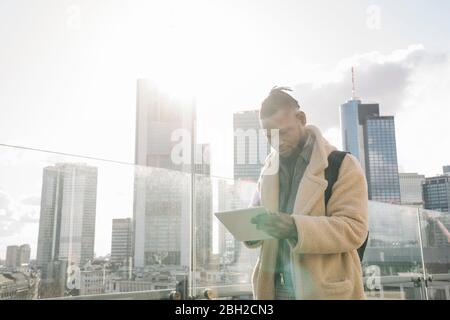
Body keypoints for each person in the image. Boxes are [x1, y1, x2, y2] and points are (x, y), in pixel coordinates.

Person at [244, 86, 368, 300]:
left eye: (283, 132)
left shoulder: (342, 164)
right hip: (273, 290)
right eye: (269, 136)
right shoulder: (268, 170)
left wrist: (295, 227)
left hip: (324, 291)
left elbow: (354, 229)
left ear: (301, 118)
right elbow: (257, 214)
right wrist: (249, 229)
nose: (277, 142)